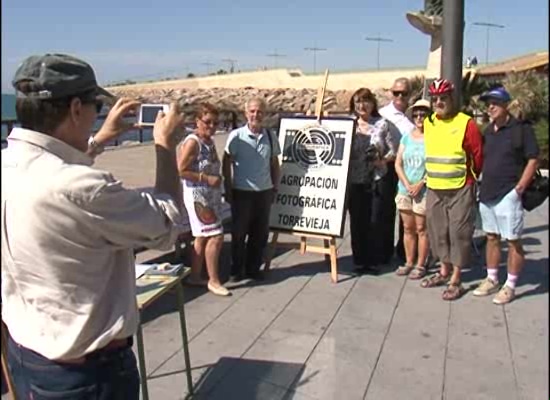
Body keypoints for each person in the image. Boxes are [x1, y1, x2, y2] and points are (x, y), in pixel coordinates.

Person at [2, 54, 185, 398]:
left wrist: (100, 140)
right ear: (74, 109)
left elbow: (52, 172)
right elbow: (167, 223)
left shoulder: (8, 164)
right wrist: (164, 146)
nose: (94, 114)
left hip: (26, 355)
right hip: (87, 374)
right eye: (93, 105)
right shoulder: (85, 188)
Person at [473, 87, 539, 304]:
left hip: (508, 193)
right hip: (488, 193)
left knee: (513, 241)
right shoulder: (487, 132)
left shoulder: (521, 129)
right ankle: (491, 278)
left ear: (506, 105)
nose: (490, 107)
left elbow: (533, 159)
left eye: (495, 103)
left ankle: (510, 284)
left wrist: (519, 187)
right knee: (491, 237)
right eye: (488, 103)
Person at [420, 78, 483, 301]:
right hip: (435, 187)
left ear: (452, 99)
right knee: (438, 231)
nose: (439, 102)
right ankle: (443, 269)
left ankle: (456, 278)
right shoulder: (429, 123)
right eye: (435, 99)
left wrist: (471, 179)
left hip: (460, 188)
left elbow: (477, 155)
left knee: (459, 232)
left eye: (443, 98)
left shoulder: (466, 123)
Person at [222, 97, 281, 281]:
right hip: (242, 193)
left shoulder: (270, 136)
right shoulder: (236, 136)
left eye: (260, 111)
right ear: (246, 113)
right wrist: (228, 187)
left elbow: (274, 163)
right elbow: (226, 162)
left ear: (264, 114)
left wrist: (275, 187)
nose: (256, 115)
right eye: (253, 111)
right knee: (239, 234)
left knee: (260, 233)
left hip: (264, 192)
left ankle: (253, 268)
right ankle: (236, 270)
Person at [178, 103, 231, 296]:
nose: (211, 126)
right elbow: (181, 170)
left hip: (211, 195)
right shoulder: (193, 142)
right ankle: (214, 280)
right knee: (216, 235)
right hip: (198, 196)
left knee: (201, 236)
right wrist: (206, 178)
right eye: (207, 122)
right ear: (197, 121)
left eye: (215, 123)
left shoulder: (208, 141)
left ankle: (195, 275)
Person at [348, 88, 397, 275]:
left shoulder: (382, 124)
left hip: (376, 179)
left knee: (375, 220)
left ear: (373, 104)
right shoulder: (348, 125)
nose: (362, 105)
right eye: (358, 101)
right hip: (354, 179)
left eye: (366, 101)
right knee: (357, 221)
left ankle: (374, 260)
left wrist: (381, 160)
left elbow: (394, 151)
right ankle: (359, 260)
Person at [379, 77, 416, 263]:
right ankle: (384, 252)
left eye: (404, 93)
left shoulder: (415, 116)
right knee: (385, 211)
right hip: (387, 169)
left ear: (410, 94)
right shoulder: (382, 114)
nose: (400, 96)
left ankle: (405, 252)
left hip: (409, 171)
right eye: (396, 92)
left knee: (407, 213)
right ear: (390, 93)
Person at [394, 99, 431, 280]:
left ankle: (421, 263)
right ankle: (409, 261)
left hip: (423, 190)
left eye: (423, 114)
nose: (419, 118)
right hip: (405, 188)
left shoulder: (433, 138)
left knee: (421, 228)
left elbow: (434, 165)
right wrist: (407, 183)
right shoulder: (407, 137)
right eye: (416, 114)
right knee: (408, 228)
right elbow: (398, 163)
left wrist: (421, 183)